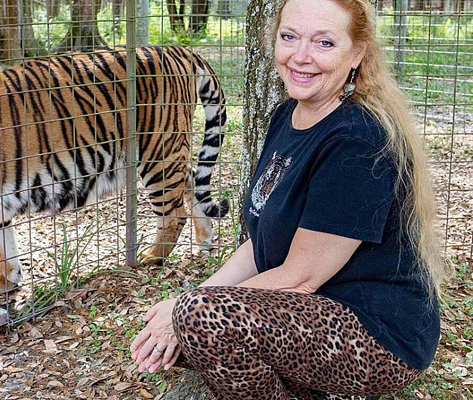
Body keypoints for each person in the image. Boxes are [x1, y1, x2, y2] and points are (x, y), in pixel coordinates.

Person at [129, 0, 445, 399]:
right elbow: (260, 245)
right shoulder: (288, 114)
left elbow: (301, 276)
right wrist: (182, 301)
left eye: (324, 43)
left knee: (199, 321)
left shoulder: (356, 140)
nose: (301, 56)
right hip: (308, 311)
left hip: (376, 335)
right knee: (184, 330)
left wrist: (189, 311)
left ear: (357, 53)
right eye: (289, 37)